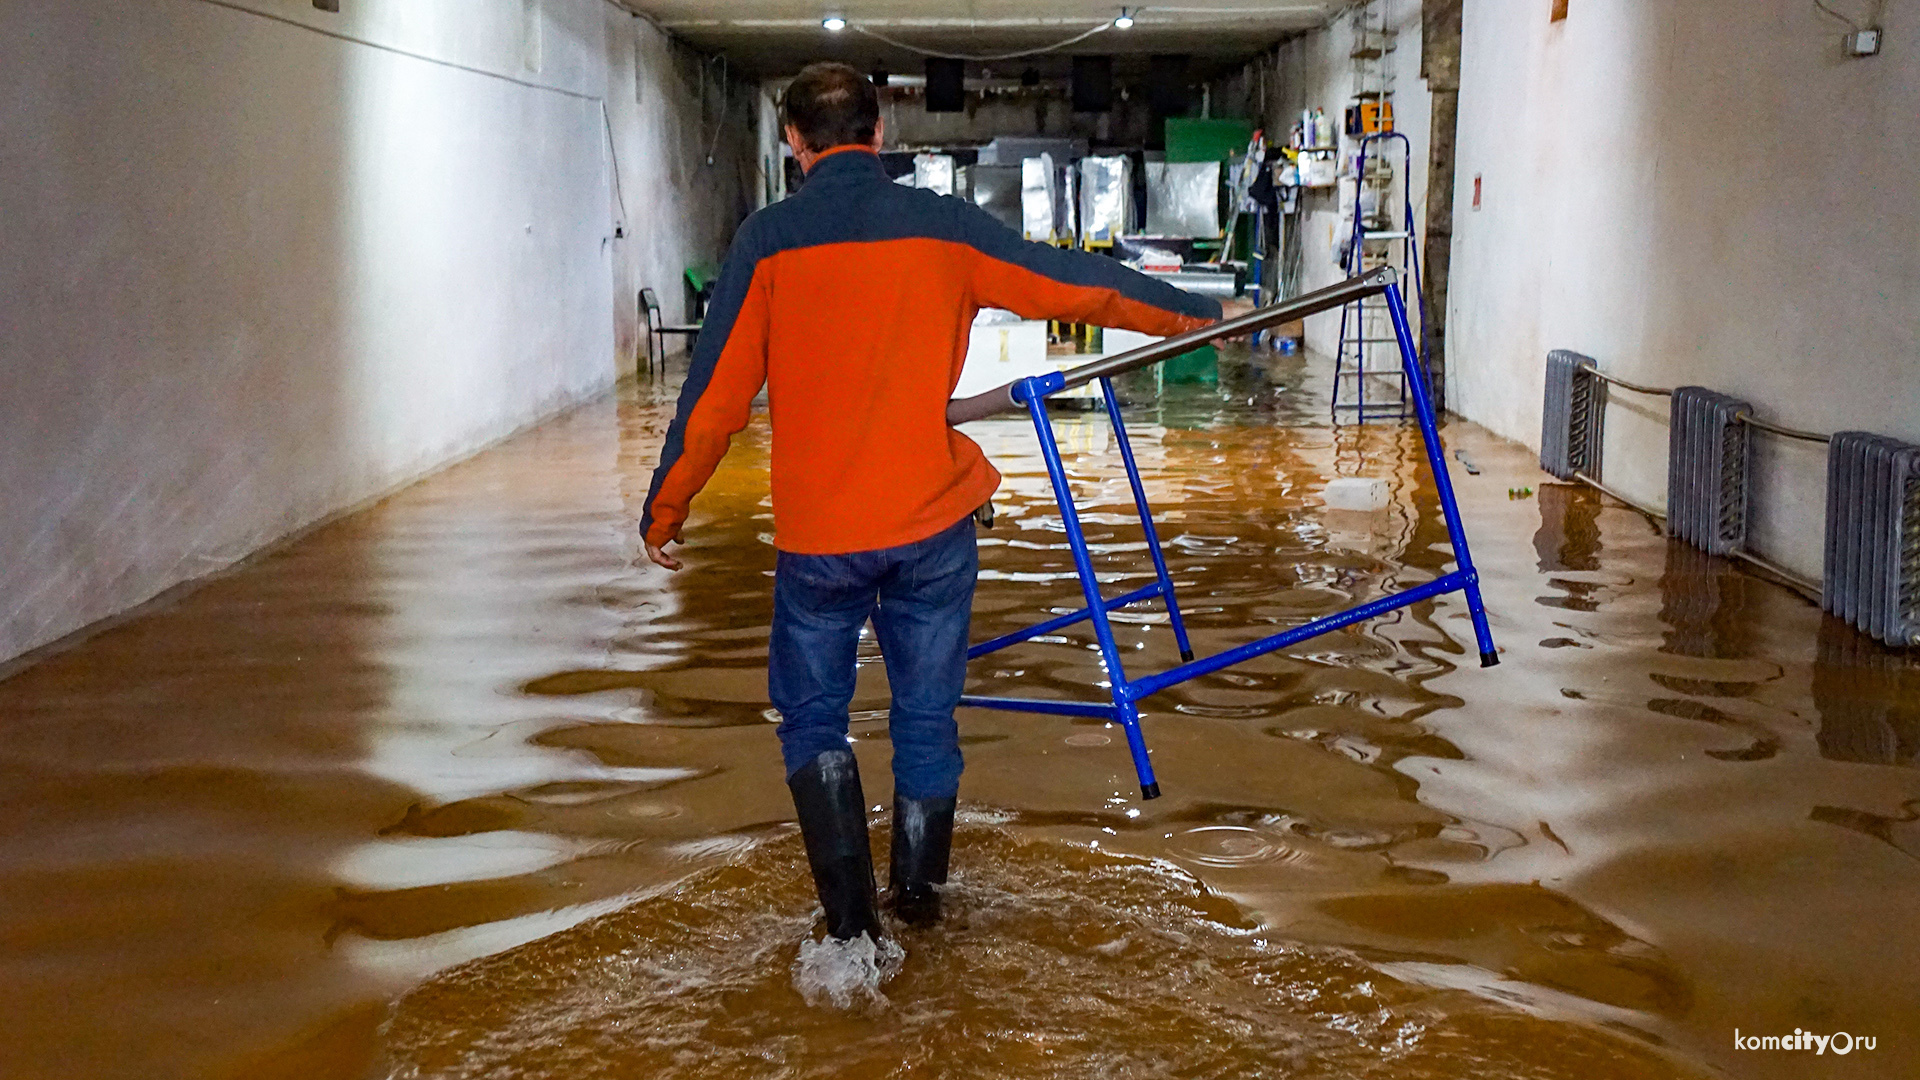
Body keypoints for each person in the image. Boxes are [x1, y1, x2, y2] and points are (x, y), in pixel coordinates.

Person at [639, 62, 1223, 943]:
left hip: (821, 538)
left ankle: (847, 930)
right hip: (931, 527)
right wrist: (1191, 315)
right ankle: (920, 908)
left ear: (795, 144)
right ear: (880, 135)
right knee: (923, 715)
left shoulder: (767, 242)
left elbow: (714, 400)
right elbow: (1072, 283)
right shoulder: (943, 227)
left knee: (812, 718)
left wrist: (667, 506)